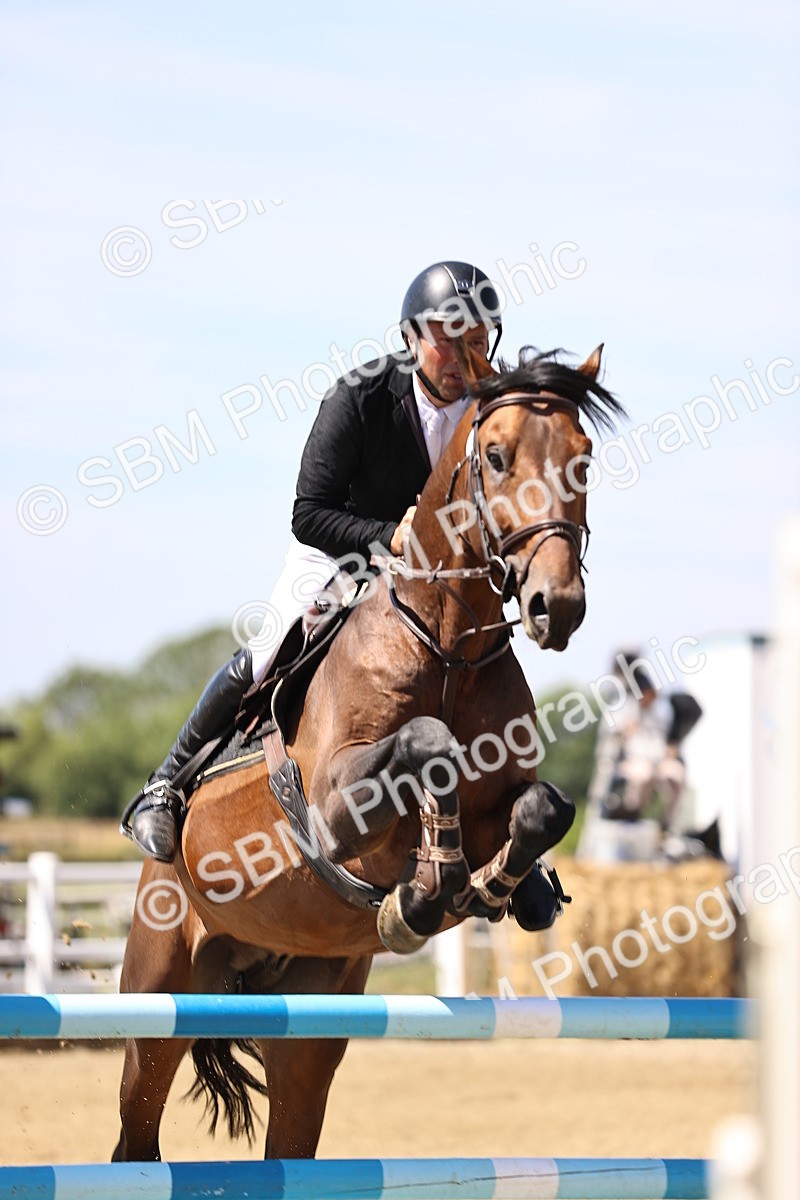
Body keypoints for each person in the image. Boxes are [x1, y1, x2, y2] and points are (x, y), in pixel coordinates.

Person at [122, 261, 503, 862]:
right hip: (342, 552)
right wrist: (389, 537)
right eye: (446, 339)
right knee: (267, 648)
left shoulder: (493, 408)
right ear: (411, 338)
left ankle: (513, 837)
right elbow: (310, 514)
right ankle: (164, 785)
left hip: (434, 577)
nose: (463, 357)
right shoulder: (359, 396)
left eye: (477, 340)